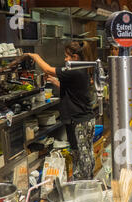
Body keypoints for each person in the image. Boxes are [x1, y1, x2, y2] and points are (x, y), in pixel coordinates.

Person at [25, 41, 96, 180]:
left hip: (79, 121)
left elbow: (47, 69)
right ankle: (85, 184)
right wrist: (56, 82)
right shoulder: (82, 69)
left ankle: (84, 187)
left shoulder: (74, 70)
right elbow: (73, 90)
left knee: (82, 157)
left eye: (67, 56)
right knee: (84, 155)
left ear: (75, 57)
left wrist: (34, 56)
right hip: (83, 119)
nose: (65, 59)